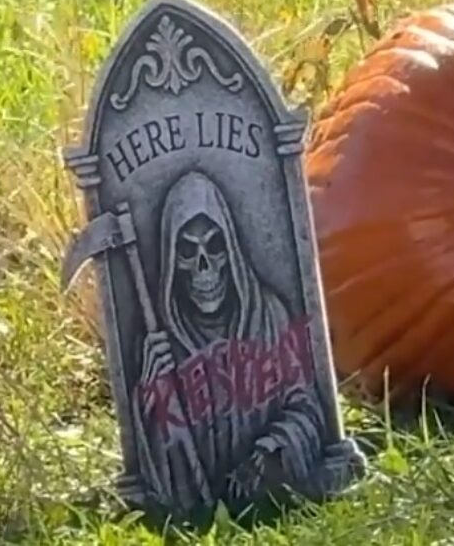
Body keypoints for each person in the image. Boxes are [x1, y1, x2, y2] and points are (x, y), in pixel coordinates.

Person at [134, 169, 327, 515]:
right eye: (188, 251)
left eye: (214, 245)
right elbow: (154, 467)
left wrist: (270, 452)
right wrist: (153, 400)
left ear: (232, 249)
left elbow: (307, 407)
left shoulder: (270, 315)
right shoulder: (164, 347)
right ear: (172, 260)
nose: (204, 266)